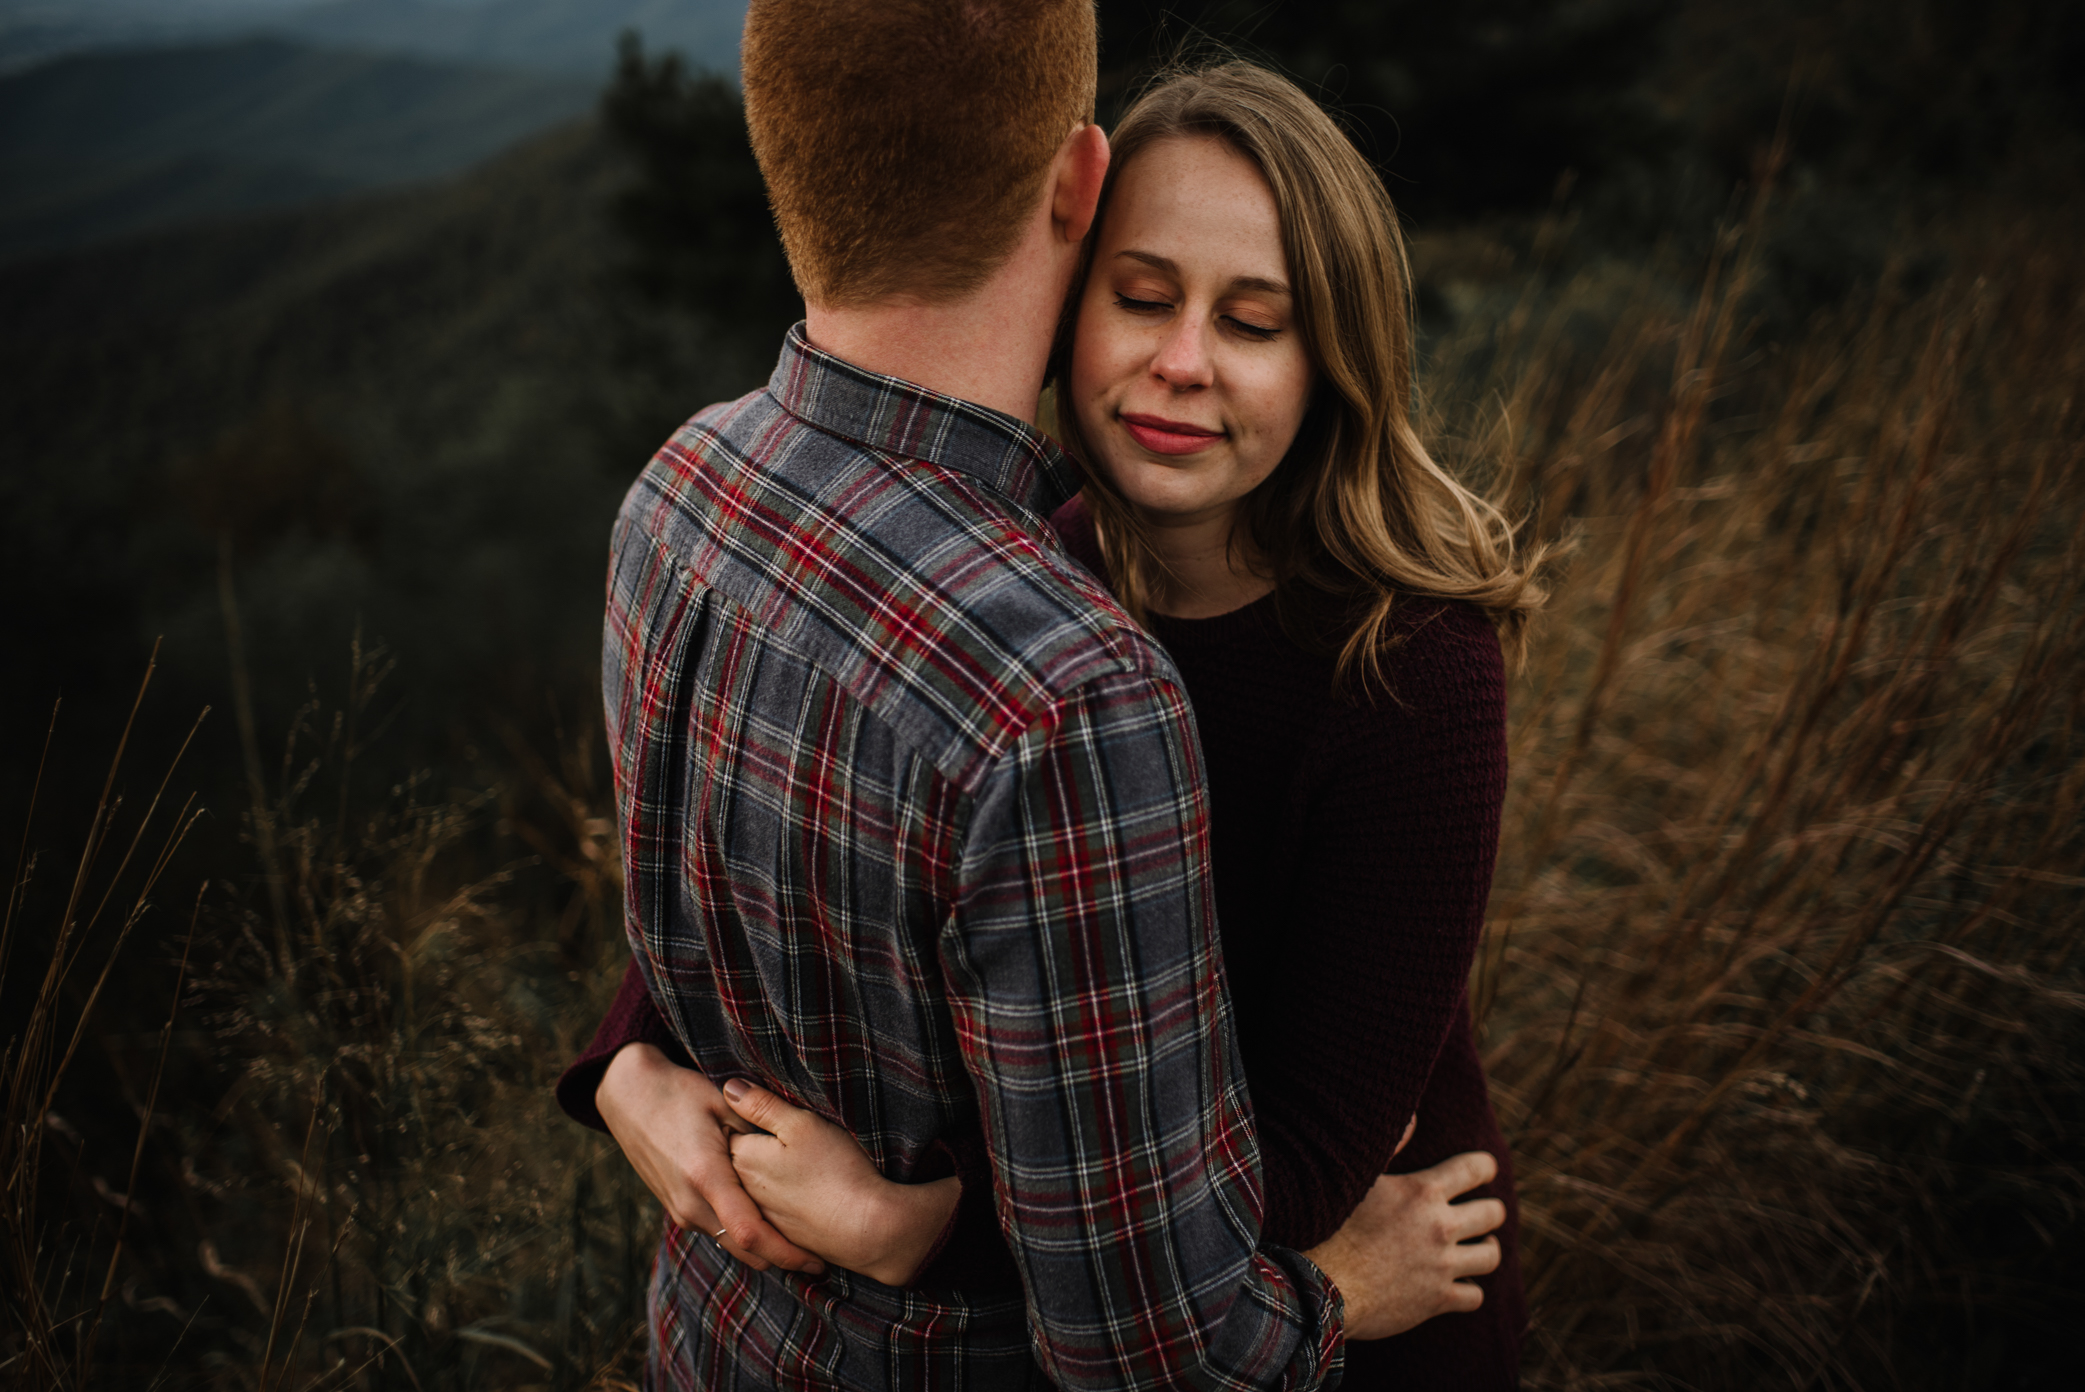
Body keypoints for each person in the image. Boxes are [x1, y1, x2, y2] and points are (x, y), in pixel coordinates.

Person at [556, 4, 1512, 1389]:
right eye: (1140, 295)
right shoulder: (1036, 585)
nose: (1183, 361)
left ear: (1333, 360)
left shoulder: (1405, 665)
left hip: (1361, 1314)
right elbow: (804, 850)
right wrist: (626, 1056)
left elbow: (1307, 1155)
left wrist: (923, 1226)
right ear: (1069, 267)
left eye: (1253, 323)